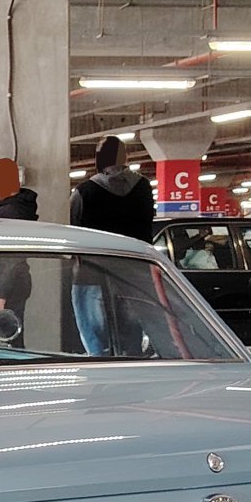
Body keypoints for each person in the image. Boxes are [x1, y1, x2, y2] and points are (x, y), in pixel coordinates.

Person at [68, 135, 155, 354]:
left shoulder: (83, 193)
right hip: (135, 273)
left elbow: (74, 235)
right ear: (125, 157)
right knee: (132, 338)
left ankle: (102, 378)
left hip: (91, 275)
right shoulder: (143, 187)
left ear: (99, 159)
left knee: (95, 340)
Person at [0, 158, 37, 336]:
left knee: (0, 338)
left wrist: (0, 296)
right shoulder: (16, 207)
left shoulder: (9, 214)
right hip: (13, 283)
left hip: (2, 285)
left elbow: (10, 257)